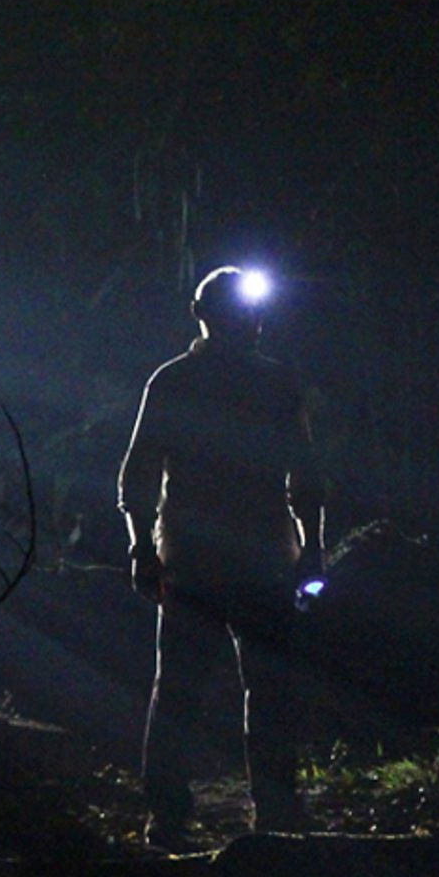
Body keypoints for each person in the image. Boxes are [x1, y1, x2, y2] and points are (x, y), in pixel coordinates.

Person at [118, 265, 326, 847]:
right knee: (261, 689)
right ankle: (273, 808)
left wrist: (141, 545)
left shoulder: (178, 381)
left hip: (201, 558)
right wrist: (311, 548)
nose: (251, 323)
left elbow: (138, 473)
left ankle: (173, 813)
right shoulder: (269, 383)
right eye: (244, 312)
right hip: (249, 558)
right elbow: (303, 475)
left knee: (185, 688)